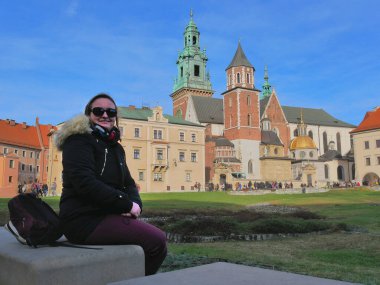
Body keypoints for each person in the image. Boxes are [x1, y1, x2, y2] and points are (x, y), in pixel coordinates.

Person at [54, 93, 167, 275]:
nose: (105, 115)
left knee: (156, 241)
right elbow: (85, 183)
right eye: (98, 110)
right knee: (157, 242)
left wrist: (136, 205)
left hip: (105, 214)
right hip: (83, 220)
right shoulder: (78, 141)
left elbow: (129, 182)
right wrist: (125, 204)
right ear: (88, 115)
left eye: (111, 111)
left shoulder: (115, 147)